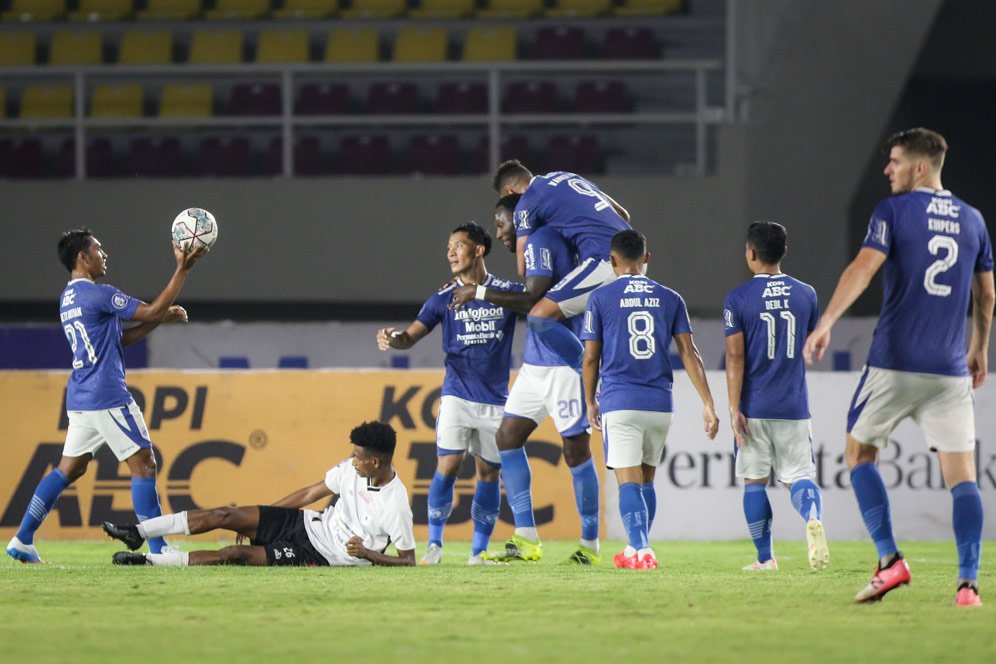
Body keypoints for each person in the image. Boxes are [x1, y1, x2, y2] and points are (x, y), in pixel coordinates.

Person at [804, 128, 994, 606]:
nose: (887, 170)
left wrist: (826, 321)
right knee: (963, 478)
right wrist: (980, 347)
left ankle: (890, 561)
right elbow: (987, 295)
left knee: (858, 454)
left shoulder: (893, 211)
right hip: (950, 370)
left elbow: (864, 268)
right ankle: (968, 584)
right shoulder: (973, 220)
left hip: (894, 362)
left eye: (894, 162)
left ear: (920, 168)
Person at [6, 228, 206, 564]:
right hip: (107, 394)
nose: (104, 254)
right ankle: (158, 549)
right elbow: (151, 309)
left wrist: (159, 319)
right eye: (99, 248)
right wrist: (182, 270)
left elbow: (118, 340)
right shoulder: (98, 294)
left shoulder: (68, 298)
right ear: (83, 257)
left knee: (69, 468)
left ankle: (23, 538)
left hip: (81, 395)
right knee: (144, 464)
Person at [450, 195, 600, 565]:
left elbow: (535, 298)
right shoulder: (538, 244)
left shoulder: (541, 241)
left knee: (575, 450)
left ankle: (590, 545)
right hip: (535, 363)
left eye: (502, 223)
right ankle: (526, 538)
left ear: (521, 217)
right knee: (507, 437)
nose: (500, 232)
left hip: (564, 364)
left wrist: (480, 291)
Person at [376, 222, 522, 566]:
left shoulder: (504, 292)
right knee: (448, 465)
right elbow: (411, 335)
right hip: (456, 394)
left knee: (489, 473)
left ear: (479, 250)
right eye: (448, 248)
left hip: (495, 400)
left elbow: (536, 307)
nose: (451, 253)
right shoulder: (443, 297)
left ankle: (478, 552)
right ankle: (435, 545)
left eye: (458, 245)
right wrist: (394, 338)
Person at [581, 229, 719, 570]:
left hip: (620, 399)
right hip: (659, 403)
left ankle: (641, 549)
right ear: (646, 258)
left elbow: (589, 358)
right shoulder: (670, 297)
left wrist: (589, 401)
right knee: (646, 480)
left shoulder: (600, 299)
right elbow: (690, 353)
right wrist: (708, 403)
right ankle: (635, 548)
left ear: (612, 261)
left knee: (627, 481)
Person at [105, 421, 415, 567]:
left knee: (234, 555)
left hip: (324, 555)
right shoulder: (352, 468)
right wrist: (264, 518)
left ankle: (146, 561)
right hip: (308, 524)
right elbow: (309, 493)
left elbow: (408, 562)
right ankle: (138, 531)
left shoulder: (396, 503)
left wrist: (367, 554)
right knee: (226, 515)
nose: (353, 459)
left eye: (359, 456)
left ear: (375, 462)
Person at [723, 221, 828, 572]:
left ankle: (765, 558)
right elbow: (808, 341)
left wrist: (734, 407)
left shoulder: (737, 298)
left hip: (754, 405)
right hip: (794, 404)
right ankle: (812, 516)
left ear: (750, 254)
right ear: (783, 252)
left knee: (755, 481)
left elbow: (735, 356)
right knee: (799, 476)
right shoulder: (807, 294)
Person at [492, 160, 631, 369]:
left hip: (605, 261)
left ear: (509, 191)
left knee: (539, 317)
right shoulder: (567, 176)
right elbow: (623, 215)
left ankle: (589, 375)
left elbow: (523, 269)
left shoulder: (525, 204)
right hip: (632, 256)